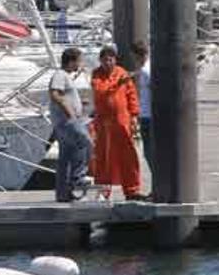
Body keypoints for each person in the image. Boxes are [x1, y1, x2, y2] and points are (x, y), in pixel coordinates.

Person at [91, 45, 146, 201]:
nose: (108, 62)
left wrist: (134, 115)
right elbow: (100, 91)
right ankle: (103, 190)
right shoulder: (96, 74)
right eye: (105, 59)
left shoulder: (122, 73)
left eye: (110, 59)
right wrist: (117, 84)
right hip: (103, 122)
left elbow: (132, 95)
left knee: (128, 155)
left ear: (115, 60)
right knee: (103, 157)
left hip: (122, 120)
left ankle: (132, 190)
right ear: (100, 60)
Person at [49, 47, 92, 202]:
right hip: (67, 121)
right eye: (79, 61)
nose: (80, 65)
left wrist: (79, 103)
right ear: (72, 61)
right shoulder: (60, 75)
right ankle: (78, 177)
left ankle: (63, 194)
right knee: (85, 142)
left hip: (63, 122)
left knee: (65, 158)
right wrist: (69, 111)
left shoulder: (65, 76)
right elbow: (55, 94)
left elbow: (64, 95)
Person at [130, 40, 152, 174]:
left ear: (135, 56)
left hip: (147, 115)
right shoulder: (147, 69)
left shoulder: (145, 72)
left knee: (149, 153)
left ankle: (157, 186)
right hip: (148, 114)